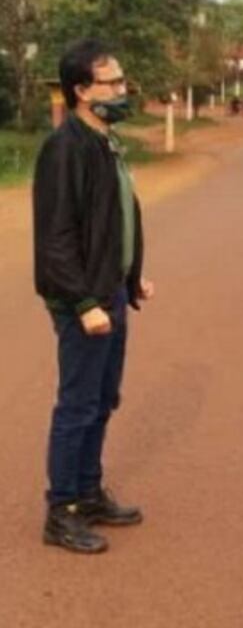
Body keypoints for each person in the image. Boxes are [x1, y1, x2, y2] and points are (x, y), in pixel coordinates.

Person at [32, 39, 155, 554]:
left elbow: (112, 222)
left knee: (102, 401)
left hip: (108, 294)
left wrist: (130, 279)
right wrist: (83, 304)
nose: (122, 90)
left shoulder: (104, 142)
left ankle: (88, 492)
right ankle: (61, 511)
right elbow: (56, 239)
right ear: (82, 91)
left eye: (122, 81)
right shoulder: (66, 148)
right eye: (112, 82)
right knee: (78, 405)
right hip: (83, 303)